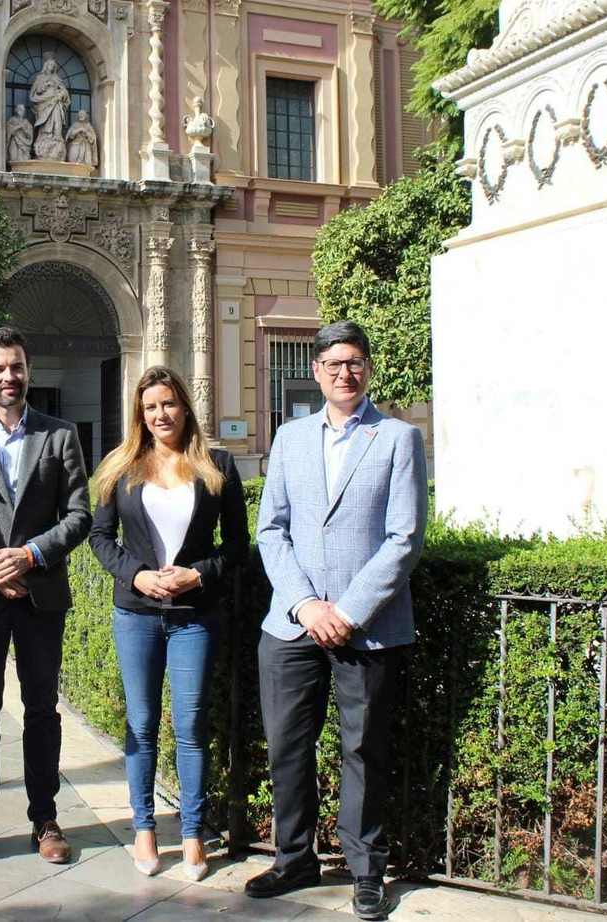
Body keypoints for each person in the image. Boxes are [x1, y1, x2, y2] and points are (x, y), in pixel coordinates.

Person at [245, 321, 427, 921]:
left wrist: (346, 612)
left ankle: (366, 870)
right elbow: (271, 530)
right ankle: (294, 857)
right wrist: (305, 604)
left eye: (354, 362)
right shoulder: (290, 436)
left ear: (367, 368)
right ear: (316, 371)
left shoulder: (398, 438)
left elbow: (404, 537)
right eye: (333, 364)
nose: (344, 373)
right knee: (287, 747)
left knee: (363, 750)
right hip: (292, 625)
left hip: (366, 627)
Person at [0, 326, 92, 867]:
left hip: (38, 594)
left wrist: (28, 555)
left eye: (17, 366)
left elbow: (79, 515)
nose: (10, 376)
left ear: (28, 371)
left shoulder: (60, 435)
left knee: (41, 709)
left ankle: (44, 817)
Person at [87, 365, 247, 881]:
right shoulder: (121, 466)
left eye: (169, 403)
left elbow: (237, 545)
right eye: (151, 406)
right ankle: (144, 827)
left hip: (194, 616)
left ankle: (194, 832)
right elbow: (100, 537)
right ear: (140, 412)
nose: (161, 414)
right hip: (136, 615)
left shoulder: (217, 465)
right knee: (141, 723)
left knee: (190, 724)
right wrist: (136, 576)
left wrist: (197, 574)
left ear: (184, 406)